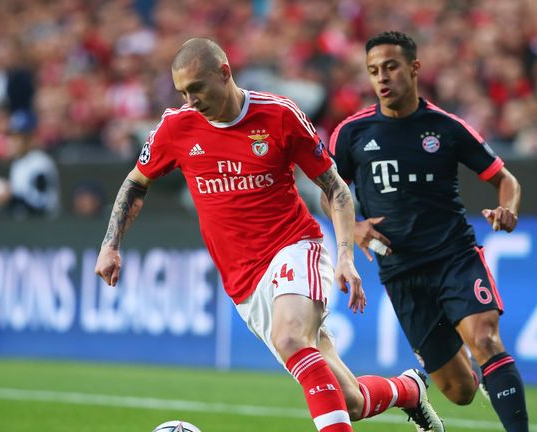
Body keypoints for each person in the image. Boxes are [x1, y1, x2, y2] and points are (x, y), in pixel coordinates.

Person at [94, 38, 444, 432]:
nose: (190, 101)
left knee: (291, 337)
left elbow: (335, 188)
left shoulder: (278, 115)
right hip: (244, 282)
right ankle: (409, 390)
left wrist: (345, 254)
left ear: (224, 73)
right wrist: (111, 245)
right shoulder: (177, 127)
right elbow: (135, 183)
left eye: (197, 89)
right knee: (350, 399)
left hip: (295, 247)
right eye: (182, 92)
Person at [324, 31, 529, 432]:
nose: (382, 78)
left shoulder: (446, 128)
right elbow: (329, 192)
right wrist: (357, 227)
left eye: (390, 67)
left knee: (485, 340)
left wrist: (508, 208)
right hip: (401, 272)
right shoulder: (352, 134)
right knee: (459, 391)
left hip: (455, 256)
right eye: (373, 71)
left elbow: (505, 179)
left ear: (414, 68)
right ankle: (424, 390)